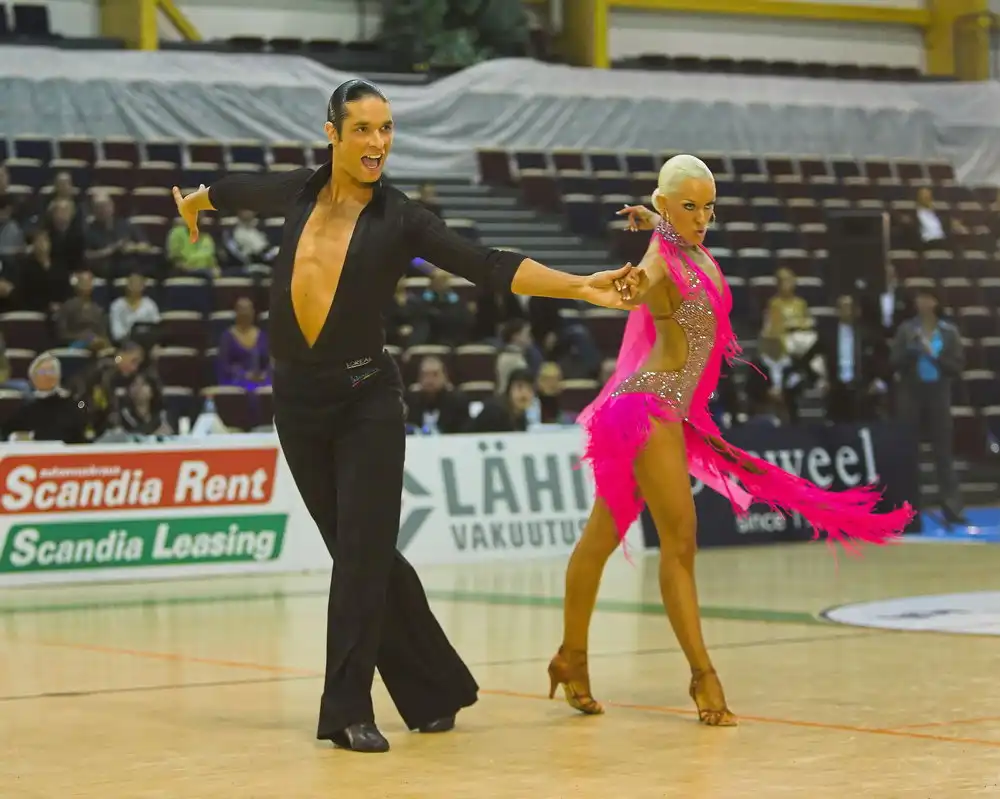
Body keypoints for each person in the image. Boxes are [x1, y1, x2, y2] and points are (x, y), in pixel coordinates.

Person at [170, 78, 638, 755]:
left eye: (386, 128)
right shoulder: (298, 192)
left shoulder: (401, 217)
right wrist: (196, 201)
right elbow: (237, 189)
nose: (378, 142)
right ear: (332, 133)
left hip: (367, 401)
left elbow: (485, 263)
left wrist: (580, 286)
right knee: (362, 554)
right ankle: (435, 688)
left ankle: (346, 709)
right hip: (296, 405)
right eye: (363, 128)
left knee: (360, 558)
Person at [549, 155, 915, 728]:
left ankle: (570, 658)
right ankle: (702, 676)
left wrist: (657, 218)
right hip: (647, 413)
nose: (702, 218)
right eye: (688, 207)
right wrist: (629, 281)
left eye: (708, 208)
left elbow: (672, 239)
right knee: (679, 543)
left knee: (601, 537)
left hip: (665, 412)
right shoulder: (660, 261)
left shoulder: (689, 247)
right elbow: (646, 278)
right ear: (667, 204)